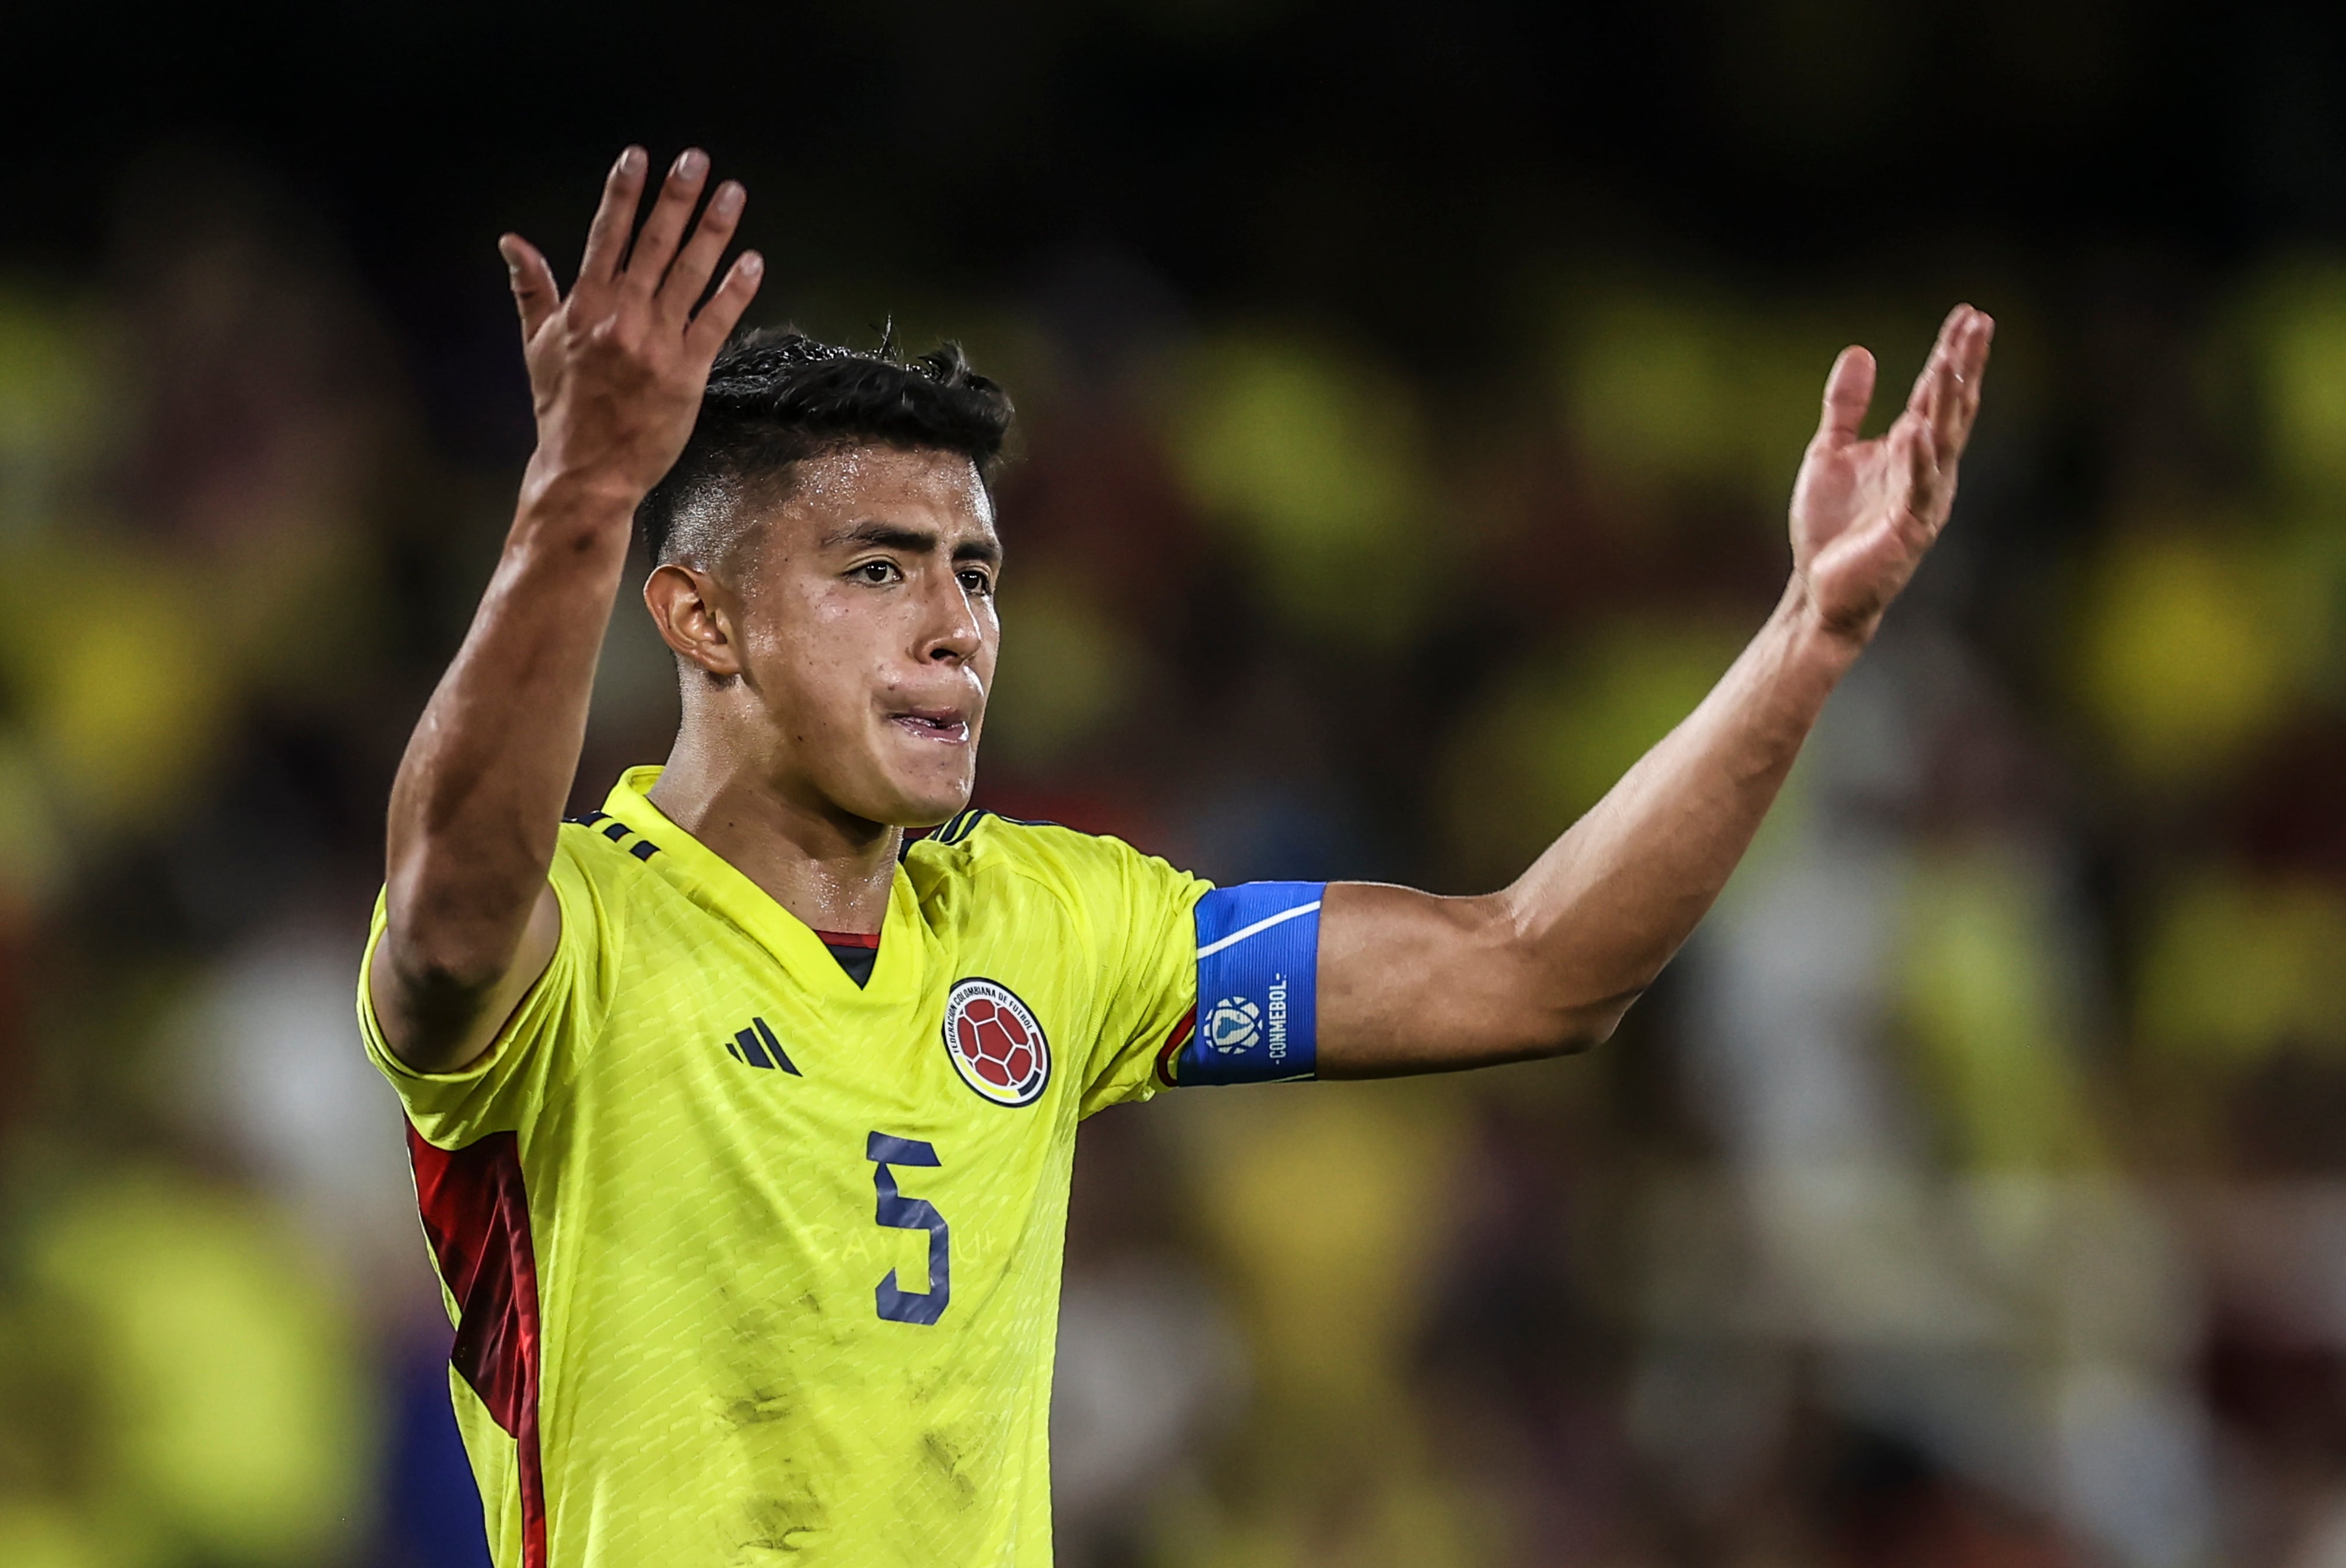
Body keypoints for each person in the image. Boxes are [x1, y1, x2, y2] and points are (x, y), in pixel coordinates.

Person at [359, 145, 1993, 1567]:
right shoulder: (574, 942)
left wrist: (1808, 634)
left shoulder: (1057, 928)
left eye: (977, 576)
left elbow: (1532, 968)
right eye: (878, 569)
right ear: (701, 615)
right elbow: (446, 909)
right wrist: (581, 497)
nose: (955, 632)